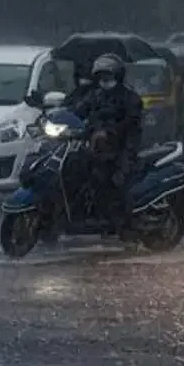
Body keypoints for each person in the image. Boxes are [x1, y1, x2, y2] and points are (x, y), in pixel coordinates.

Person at [72, 54, 144, 234]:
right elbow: (78, 111)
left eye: (109, 76)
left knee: (113, 180)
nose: (105, 81)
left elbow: (130, 124)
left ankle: (122, 225)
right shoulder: (95, 95)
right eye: (101, 77)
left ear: (118, 77)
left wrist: (108, 132)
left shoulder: (130, 98)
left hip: (123, 145)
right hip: (98, 145)